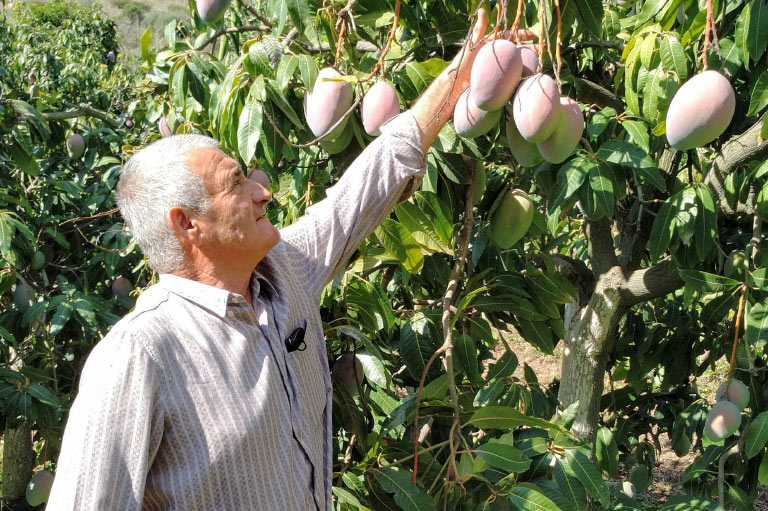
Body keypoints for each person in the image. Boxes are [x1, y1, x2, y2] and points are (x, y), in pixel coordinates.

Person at [47, 9, 491, 511]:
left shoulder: (286, 271)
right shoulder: (141, 355)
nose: (265, 191)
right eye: (237, 182)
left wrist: (464, 70)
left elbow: (371, 183)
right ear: (186, 223)